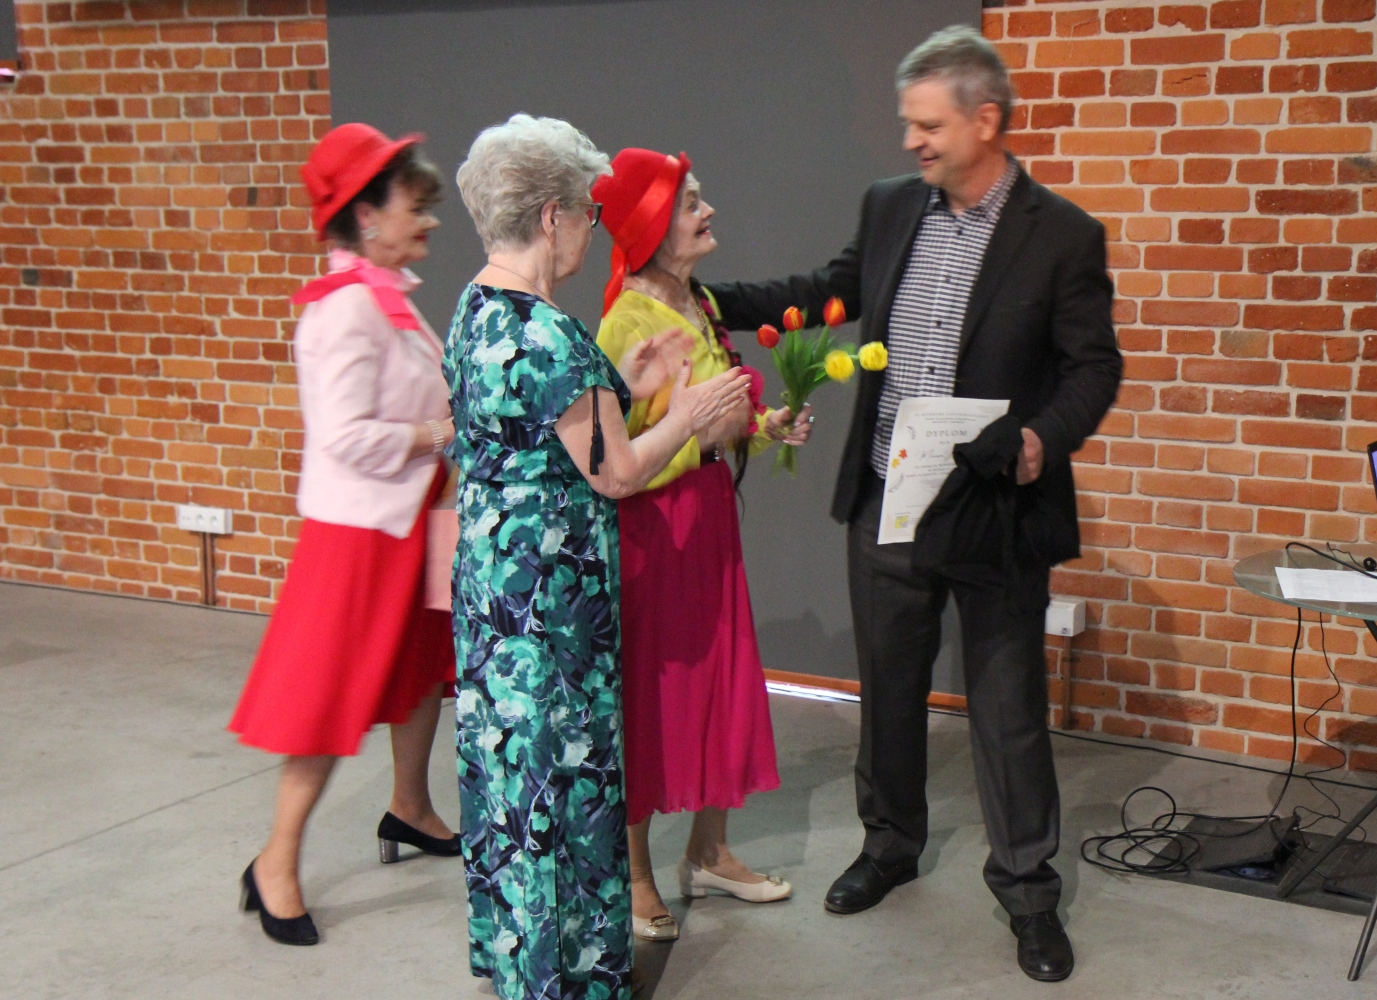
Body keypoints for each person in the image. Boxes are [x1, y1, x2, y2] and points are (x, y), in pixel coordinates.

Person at [705, 26, 1123, 983]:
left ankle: (1028, 892)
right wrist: (702, 297)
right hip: (888, 499)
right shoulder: (892, 206)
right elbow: (827, 292)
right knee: (889, 691)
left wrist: (1036, 440)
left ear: (987, 120)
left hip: (996, 505)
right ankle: (890, 845)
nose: (911, 141)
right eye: (908, 124)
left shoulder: (1063, 235)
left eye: (928, 125)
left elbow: (1093, 368)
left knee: (1008, 709)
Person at [444, 115, 752, 998]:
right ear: (551, 217)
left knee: (511, 778)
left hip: (494, 593)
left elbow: (524, 429)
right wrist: (687, 416)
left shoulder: (476, 311)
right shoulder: (549, 335)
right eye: (586, 211)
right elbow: (615, 474)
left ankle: (517, 962)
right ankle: (566, 978)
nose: (591, 227)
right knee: (557, 787)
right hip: (548, 606)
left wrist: (630, 384)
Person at [229, 123, 462, 947]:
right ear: (366, 215)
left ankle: (410, 807)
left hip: (417, 517)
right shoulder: (345, 311)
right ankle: (276, 861)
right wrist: (438, 434)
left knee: (424, 672)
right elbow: (344, 436)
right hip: (362, 536)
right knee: (326, 700)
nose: (429, 220)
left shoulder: (385, 295)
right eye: (415, 205)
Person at [591, 150, 812, 941]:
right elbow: (615, 457)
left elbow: (719, 417)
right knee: (651, 696)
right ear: (653, 225)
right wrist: (700, 434)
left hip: (709, 520)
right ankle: (636, 875)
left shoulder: (701, 300)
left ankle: (710, 852)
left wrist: (763, 425)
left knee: (719, 680)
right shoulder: (624, 323)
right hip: (657, 529)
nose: (707, 210)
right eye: (689, 202)